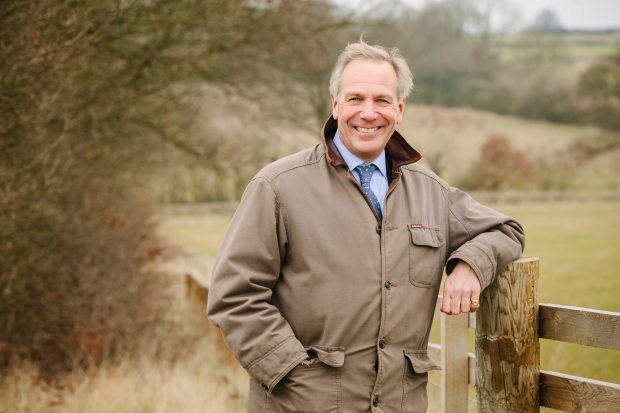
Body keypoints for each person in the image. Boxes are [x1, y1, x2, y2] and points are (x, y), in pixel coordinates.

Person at [207, 40, 525, 413]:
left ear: (400, 109)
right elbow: (233, 296)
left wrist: (470, 263)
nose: (369, 113)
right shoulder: (278, 187)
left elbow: (507, 231)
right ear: (335, 104)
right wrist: (294, 375)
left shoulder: (430, 191)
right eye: (356, 98)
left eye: (382, 100)